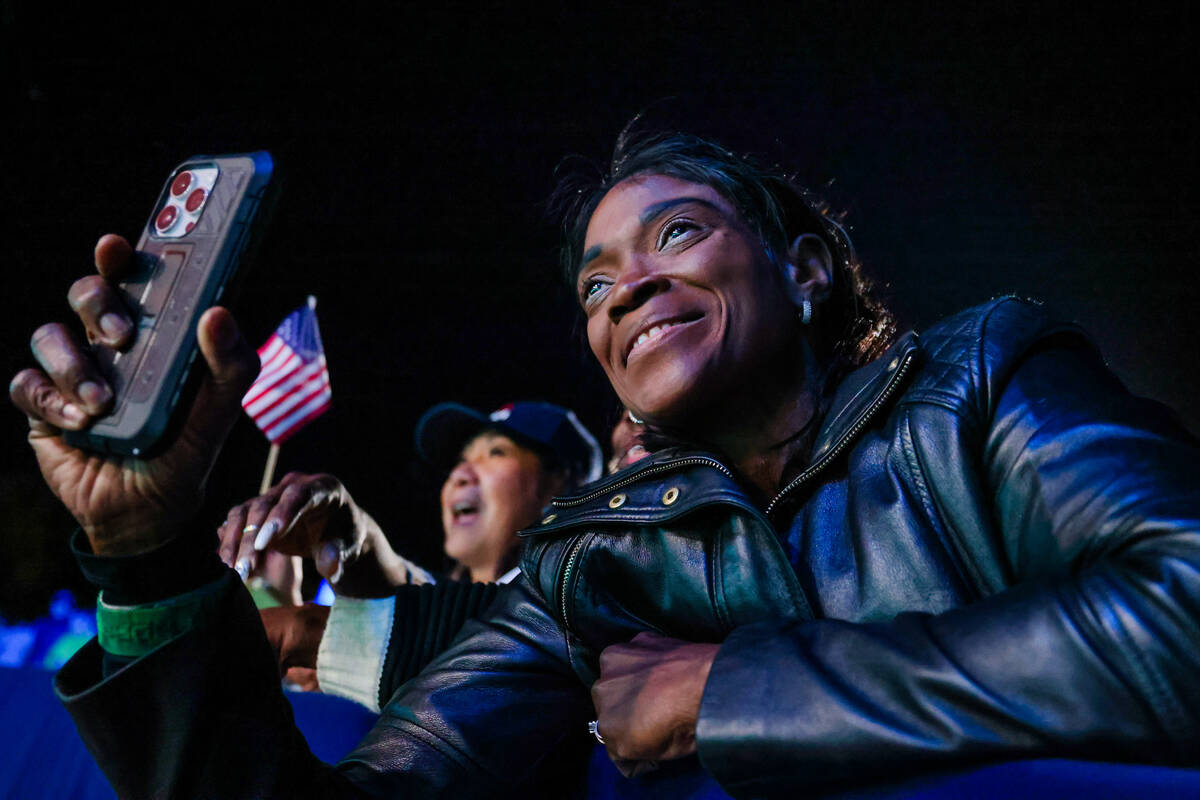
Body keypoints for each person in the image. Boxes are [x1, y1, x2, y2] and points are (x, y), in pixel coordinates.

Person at [12, 130, 1200, 797]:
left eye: (677, 230)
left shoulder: (979, 382)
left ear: (807, 271)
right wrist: (147, 550)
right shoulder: (588, 568)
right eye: (593, 280)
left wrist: (733, 688)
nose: (626, 282)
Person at [227, 401, 603, 701]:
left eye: (496, 452)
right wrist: (281, 595)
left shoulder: (586, 615)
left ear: (564, 486)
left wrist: (316, 634)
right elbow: (420, 601)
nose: (460, 475)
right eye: (460, 462)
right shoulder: (437, 603)